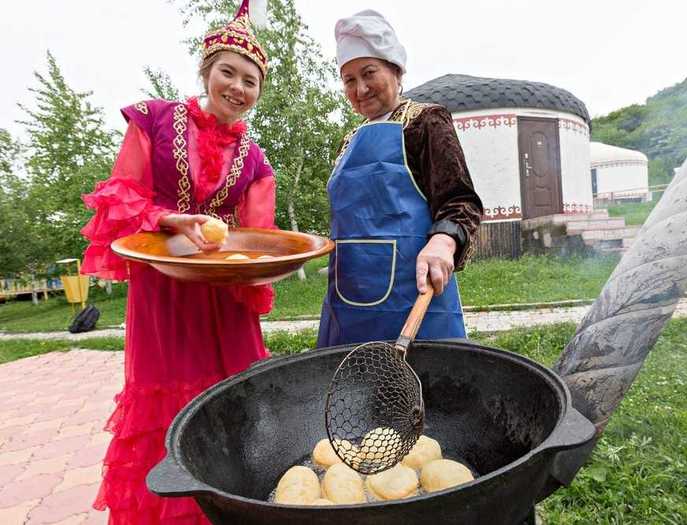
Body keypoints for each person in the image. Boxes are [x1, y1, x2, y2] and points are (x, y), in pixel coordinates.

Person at [80, 1, 275, 522]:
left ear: (258, 92)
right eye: (227, 73)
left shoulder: (255, 161)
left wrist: (259, 264)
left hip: (222, 298)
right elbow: (120, 195)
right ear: (206, 71)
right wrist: (170, 220)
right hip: (163, 289)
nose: (237, 87)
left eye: (250, 80)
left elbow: (259, 239)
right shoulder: (153, 120)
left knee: (230, 396)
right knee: (166, 398)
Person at [317, 10, 484, 347]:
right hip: (346, 301)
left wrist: (444, 241)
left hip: (413, 298)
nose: (360, 88)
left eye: (369, 73)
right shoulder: (349, 140)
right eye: (349, 80)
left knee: (426, 389)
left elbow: (460, 201)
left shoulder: (425, 122)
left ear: (395, 69)